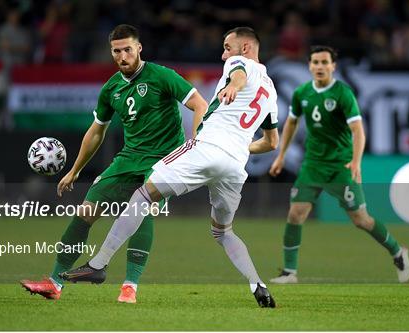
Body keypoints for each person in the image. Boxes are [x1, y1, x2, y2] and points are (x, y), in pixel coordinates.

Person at [60, 27, 279, 308]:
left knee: (142, 195)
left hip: (207, 148)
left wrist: (234, 86)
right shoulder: (271, 91)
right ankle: (257, 284)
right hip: (235, 163)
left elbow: (239, 73)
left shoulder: (239, 63)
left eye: (227, 47)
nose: (224, 53)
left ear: (246, 48)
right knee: (223, 232)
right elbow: (271, 142)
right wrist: (236, 145)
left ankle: (98, 264)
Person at [21, 24, 208, 303]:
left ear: (139, 48)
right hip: (128, 159)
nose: (123, 56)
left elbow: (200, 105)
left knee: (141, 210)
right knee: (85, 212)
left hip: (164, 160)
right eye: (117, 51)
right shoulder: (111, 88)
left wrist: (194, 145)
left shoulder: (162, 76)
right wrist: (75, 170)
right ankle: (55, 283)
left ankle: (129, 286)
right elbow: (97, 129)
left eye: (128, 50)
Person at [268, 45, 409, 284]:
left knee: (361, 220)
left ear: (333, 66)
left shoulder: (343, 94)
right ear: (309, 66)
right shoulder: (302, 93)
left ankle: (398, 251)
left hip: (340, 166)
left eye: (325, 62)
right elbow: (291, 123)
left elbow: (358, 131)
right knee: (295, 214)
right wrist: (281, 155)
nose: (320, 67)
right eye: (315, 62)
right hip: (313, 165)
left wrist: (356, 162)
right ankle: (289, 272)